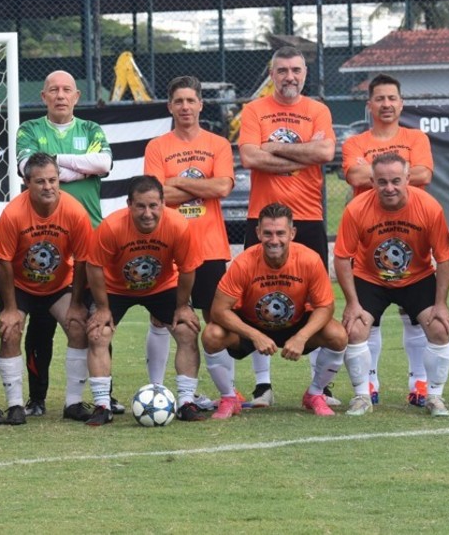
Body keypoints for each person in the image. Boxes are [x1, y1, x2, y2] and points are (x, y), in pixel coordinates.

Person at [237, 46, 336, 408]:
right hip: (262, 218)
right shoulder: (254, 110)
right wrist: (301, 154)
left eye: (296, 70)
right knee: (255, 298)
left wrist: (273, 148)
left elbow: (324, 154)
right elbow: (249, 156)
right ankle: (262, 385)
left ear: (304, 73)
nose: (289, 77)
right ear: (272, 74)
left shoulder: (317, 110)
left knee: (315, 300)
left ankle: (319, 387)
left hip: (307, 217)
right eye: (282, 71)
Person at [14, 70, 112, 415]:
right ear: (43, 96)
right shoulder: (28, 130)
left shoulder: (91, 129)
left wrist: (54, 162)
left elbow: (104, 163)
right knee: (41, 326)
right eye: (53, 90)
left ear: (76, 96)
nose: (60, 95)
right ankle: (36, 398)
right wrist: (82, 168)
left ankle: (104, 393)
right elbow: (28, 167)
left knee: (94, 320)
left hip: (89, 238)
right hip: (43, 241)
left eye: (66, 89)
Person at [143, 75, 237, 417]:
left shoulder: (218, 144)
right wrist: (201, 185)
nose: (185, 107)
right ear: (170, 106)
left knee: (216, 321)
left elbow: (222, 187)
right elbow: (156, 195)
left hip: (210, 247)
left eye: (190, 100)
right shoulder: (157, 147)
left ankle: (228, 393)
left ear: (201, 104)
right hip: (168, 247)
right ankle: (156, 390)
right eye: (178, 101)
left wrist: (178, 182)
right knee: (161, 319)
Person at [333, 154, 449, 417]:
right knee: (354, 329)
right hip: (370, 278)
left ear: (408, 179)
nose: (389, 188)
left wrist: (441, 304)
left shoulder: (429, 207)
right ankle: (362, 396)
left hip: (417, 278)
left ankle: (434, 396)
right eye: (382, 182)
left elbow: (444, 258)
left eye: (396, 181)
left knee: (439, 328)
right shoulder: (356, 208)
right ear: (372, 181)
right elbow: (342, 258)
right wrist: (352, 303)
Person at [341, 73, 435, 407]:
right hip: (369, 242)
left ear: (401, 103)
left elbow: (425, 173)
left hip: (411, 239)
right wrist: (401, 172)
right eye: (379, 98)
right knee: (370, 319)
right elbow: (353, 175)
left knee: (415, 317)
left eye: (392, 98)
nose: (386, 104)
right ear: (369, 104)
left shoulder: (416, 137)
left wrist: (374, 171)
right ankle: (370, 382)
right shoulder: (354, 142)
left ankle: (418, 382)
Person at [204, 203, 345, 417]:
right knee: (212, 334)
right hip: (252, 323)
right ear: (258, 232)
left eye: (280, 233)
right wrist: (255, 335)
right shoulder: (243, 263)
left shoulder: (309, 259)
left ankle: (315, 394)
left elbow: (325, 306)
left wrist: (301, 336)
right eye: (268, 233)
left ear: (292, 233)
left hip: (295, 323)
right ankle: (229, 398)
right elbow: (218, 310)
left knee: (337, 335)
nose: (274, 240)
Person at [84, 175, 204, 426]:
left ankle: (186, 402)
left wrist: (183, 307)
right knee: (97, 333)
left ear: (163, 203)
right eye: (140, 206)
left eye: (153, 205)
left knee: (187, 330)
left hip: (162, 286)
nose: (147, 213)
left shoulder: (178, 225)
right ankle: (103, 405)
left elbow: (187, 269)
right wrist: (103, 308)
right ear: (129, 204)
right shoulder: (111, 226)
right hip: (116, 288)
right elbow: (94, 267)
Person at [0, 153, 96, 423]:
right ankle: (15, 405)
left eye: (52, 180)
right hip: (20, 287)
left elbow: (83, 259)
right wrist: (10, 308)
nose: (48, 186)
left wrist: (76, 304)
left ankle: (73, 403)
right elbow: (2, 261)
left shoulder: (74, 211)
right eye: (40, 181)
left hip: (58, 286)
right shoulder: (13, 213)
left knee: (78, 326)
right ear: (27, 183)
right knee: (10, 331)